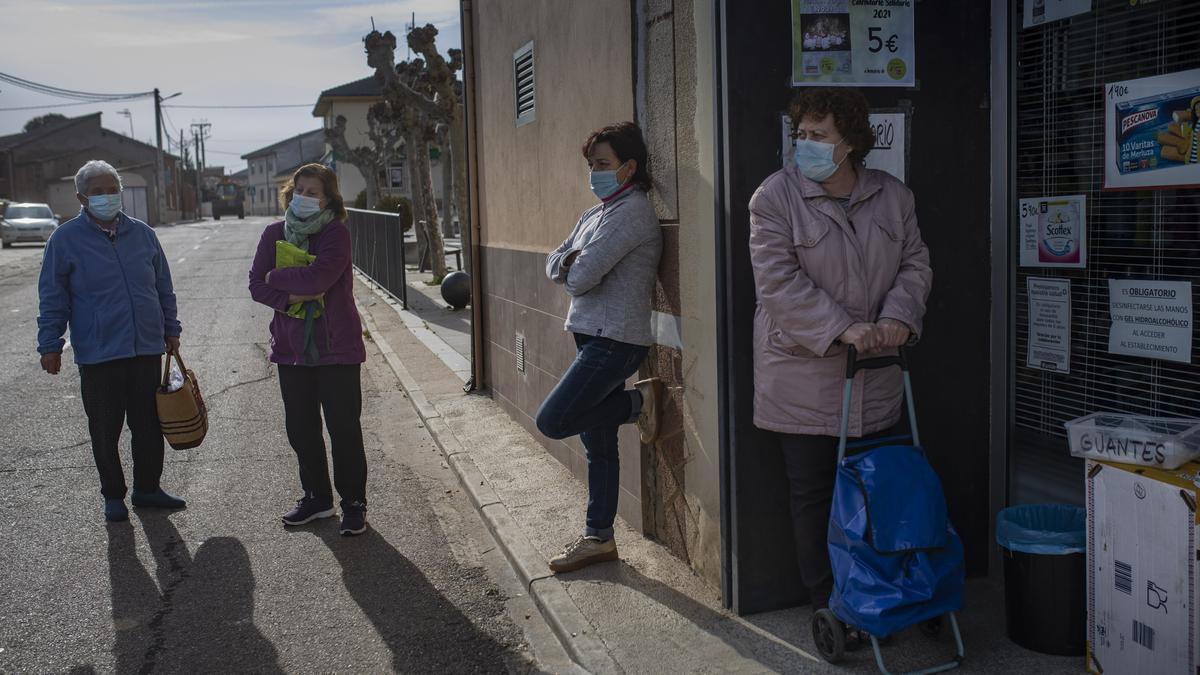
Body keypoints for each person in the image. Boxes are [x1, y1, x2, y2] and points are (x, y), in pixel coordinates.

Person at [748, 88, 932, 610]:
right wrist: (841, 327)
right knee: (814, 497)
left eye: (818, 135)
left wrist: (898, 316)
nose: (805, 144)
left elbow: (916, 265)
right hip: (802, 378)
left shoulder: (893, 197)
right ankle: (828, 601)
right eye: (800, 134)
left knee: (882, 492)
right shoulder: (774, 198)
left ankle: (884, 588)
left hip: (876, 377)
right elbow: (778, 284)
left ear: (849, 141)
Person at [536, 122, 663, 573]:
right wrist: (570, 263)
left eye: (604, 164)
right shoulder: (595, 214)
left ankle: (638, 403)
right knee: (599, 447)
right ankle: (599, 539)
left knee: (553, 420)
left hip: (615, 341)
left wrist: (571, 265)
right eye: (591, 165)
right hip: (591, 334)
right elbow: (556, 261)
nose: (595, 173)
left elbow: (581, 276)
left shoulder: (632, 212)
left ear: (629, 167)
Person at [37, 160, 187, 522]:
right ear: (81, 197)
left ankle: (148, 489)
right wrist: (50, 344)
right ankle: (113, 495)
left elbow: (162, 287)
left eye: (111, 189)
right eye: (97, 191)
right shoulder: (65, 239)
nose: (106, 196)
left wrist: (171, 329)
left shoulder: (143, 234)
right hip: (99, 352)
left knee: (149, 425)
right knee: (105, 429)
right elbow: (53, 295)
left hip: (146, 347)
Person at [248, 163, 369, 536]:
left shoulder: (336, 235)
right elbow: (255, 285)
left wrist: (276, 277)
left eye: (313, 192)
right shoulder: (272, 235)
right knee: (301, 429)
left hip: (336, 348)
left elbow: (320, 278)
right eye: (299, 190)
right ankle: (317, 498)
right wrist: (288, 294)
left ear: (329, 198)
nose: (303, 197)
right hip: (290, 349)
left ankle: (353, 503)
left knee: (343, 429)